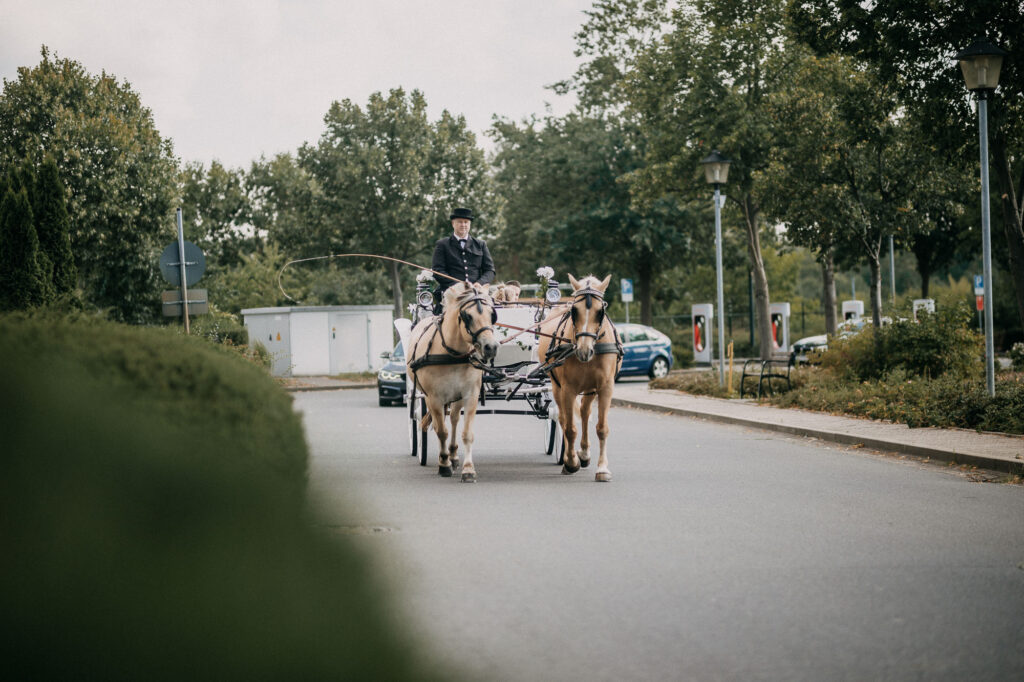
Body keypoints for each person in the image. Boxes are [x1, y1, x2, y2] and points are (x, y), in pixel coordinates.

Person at [431, 207, 495, 313]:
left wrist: (479, 283)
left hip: (477, 293)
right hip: (452, 293)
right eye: (460, 222)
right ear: (453, 223)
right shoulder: (442, 245)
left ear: (469, 224)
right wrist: (458, 286)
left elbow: (490, 270)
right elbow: (438, 271)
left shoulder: (480, 244)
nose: (463, 225)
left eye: (466, 222)